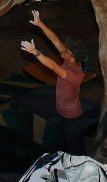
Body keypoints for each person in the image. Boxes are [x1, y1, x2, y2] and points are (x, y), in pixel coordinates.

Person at [20, 10, 87, 155]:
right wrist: (40, 24)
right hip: (62, 112)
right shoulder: (70, 60)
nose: (63, 50)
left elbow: (53, 67)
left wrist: (35, 52)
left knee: (75, 149)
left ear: (73, 58)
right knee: (63, 144)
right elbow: (55, 40)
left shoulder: (74, 74)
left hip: (72, 117)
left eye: (67, 51)